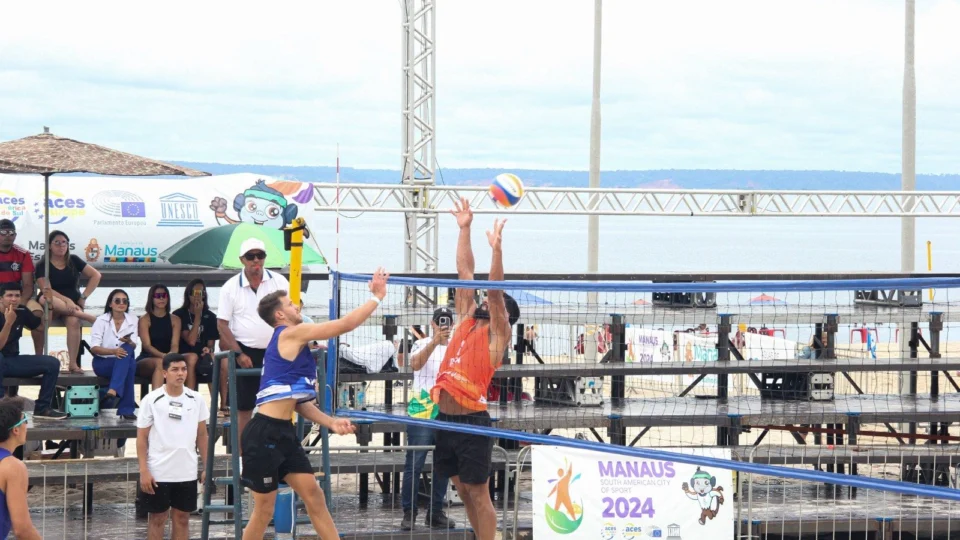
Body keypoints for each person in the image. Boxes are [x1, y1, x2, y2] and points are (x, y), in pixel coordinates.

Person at [240, 270, 387, 540]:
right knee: (264, 510)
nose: (297, 306)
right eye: (290, 304)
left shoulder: (296, 344)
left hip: (283, 432)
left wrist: (330, 422)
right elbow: (343, 325)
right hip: (263, 433)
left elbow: (299, 404)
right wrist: (376, 297)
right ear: (280, 315)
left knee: (315, 497)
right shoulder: (289, 334)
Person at [429, 197, 518, 540]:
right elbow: (465, 271)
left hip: (472, 422)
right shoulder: (467, 318)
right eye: (481, 301)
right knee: (463, 491)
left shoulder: (498, 332)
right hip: (445, 418)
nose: (482, 301)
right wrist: (464, 229)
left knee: (478, 493)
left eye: (490, 303)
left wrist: (496, 251)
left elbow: (495, 293)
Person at [216, 238, 289, 451]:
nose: (256, 260)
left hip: (275, 349)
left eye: (260, 255)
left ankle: (275, 455)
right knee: (244, 408)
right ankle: (242, 459)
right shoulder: (230, 287)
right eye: (250, 256)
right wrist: (239, 353)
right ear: (242, 260)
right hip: (245, 350)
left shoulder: (279, 281)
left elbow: (292, 313)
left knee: (277, 404)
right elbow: (222, 325)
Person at [137, 354, 209, 540]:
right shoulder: (151, 399)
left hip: (186, 469)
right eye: (175, 369)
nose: (180, 373)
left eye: (184, 369)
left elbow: (202, 435)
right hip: (159, 470)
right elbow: (142, 437)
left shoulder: (196, 398)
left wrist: (207, 467)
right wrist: (144, 470)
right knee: (158, 518)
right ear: (164, 373)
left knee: (183, 518)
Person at [400, 306, 456, 530]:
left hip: (446, 411)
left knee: (443, 465)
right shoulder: (422, 344)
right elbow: (414, 364)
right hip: (421, 412)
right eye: (440, 321)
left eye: (447, 321)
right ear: (433, 323)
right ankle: (409, 514)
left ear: (452, 324)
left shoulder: (456, 347)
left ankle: (435, 513)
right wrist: (434, 341)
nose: (444, 325)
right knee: (414, 464)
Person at [35, 230, 101, 373]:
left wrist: (83, 297)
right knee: (49, 299)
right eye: (57, 242)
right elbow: (47, 289)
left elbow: (96, 275)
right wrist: (68, 301)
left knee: (74, 322)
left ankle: (72, 363)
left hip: (72, 308)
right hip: (51, 301)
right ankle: (84, 316)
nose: (61, 246)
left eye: (64, 242)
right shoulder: (42, 264)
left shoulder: (74, 260)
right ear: (49, 246)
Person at [0, 284, 66, 418]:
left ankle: (42, 408)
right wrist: (8, 323)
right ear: (1, 298)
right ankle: (1, 406)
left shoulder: (22, 311)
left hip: (12, 361)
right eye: (9, 296)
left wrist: (50, 305)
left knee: (52, 363)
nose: (14, 299)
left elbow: (41, 328)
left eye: (17, 296)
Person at [89, 289, 139, 420]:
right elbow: (94, 347)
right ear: (110, 304)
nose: (121, 303)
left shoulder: (133, 320)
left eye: (125, 301)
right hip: (103, 362)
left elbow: (134, 346)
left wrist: (129, 342)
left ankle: (113, 390)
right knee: (130, 363)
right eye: (117, 300)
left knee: (128, 352)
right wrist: (113, 351)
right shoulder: (101, 320)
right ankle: (126, 409)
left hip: (124, 360)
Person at [0, 397, 42, 539]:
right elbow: (22, 529)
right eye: (25, 421)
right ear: (16, 429)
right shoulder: (13, 467)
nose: (27, 426)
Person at [0, 220, 43, 356]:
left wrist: (19, 304)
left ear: (15, 235)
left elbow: (28, 286)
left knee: (37, 313)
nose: (7, 235)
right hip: (2, 298)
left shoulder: (23, 254)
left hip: (17, 296)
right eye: (3, 232)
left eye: (11, 233)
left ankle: (38, 356)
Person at [173, 279, 219, 393]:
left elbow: (211, 343)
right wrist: (198, 316)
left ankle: (220, 405)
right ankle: (190, 399)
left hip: (202, 354)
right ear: (188, 295)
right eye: (195, 293)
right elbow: (191, 341)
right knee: (192, 357)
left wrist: (208, 349)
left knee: (216, 359)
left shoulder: (210, 316)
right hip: (183, 353)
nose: (198, 296)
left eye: (201, 293)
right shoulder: (179, 315)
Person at [137, 284, 183, 390]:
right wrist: (164, 356)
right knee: (160, 363)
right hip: (147, 359)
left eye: (164, 295)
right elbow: (147, 346)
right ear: (151, 298)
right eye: (158, 296)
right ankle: (155, 402)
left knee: (180, 365)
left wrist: (171, 356)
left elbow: (175, 344)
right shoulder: (144, 319)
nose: (161, 298)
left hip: (168, 358)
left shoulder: (175, 320)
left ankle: (178, 401)